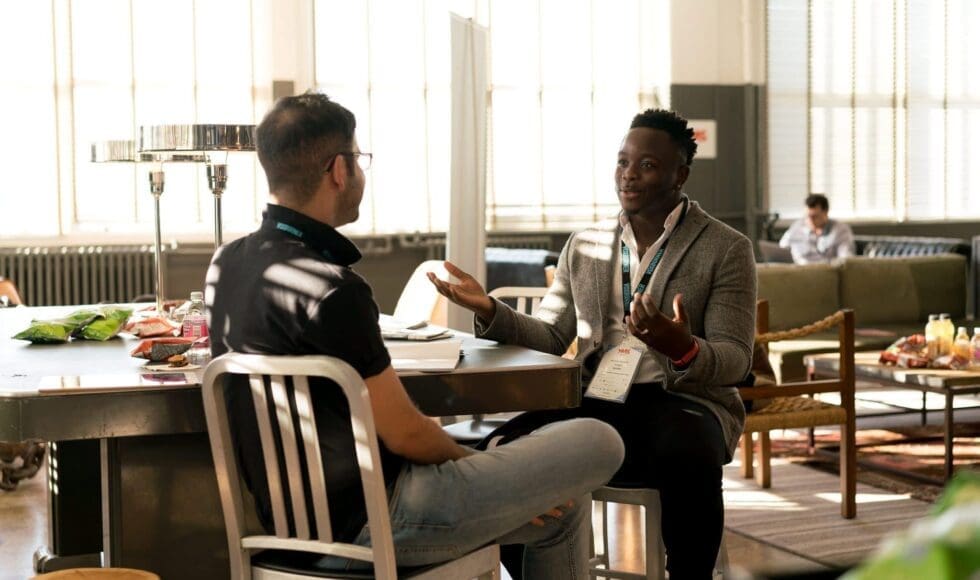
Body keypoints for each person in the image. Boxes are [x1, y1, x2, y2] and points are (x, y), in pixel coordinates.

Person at [205, 92, 624, 578]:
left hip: (284, 529)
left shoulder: (226, 264)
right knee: (601, 438)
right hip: (381, 521)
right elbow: (405, 433)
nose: (361, 173)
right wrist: (472, 462)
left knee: (562, 508)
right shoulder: (336, 290)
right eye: (359, 160)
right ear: (339, 170)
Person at [429, 109, 757, 579]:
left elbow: (735, 359)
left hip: (682, 402)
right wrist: (489, 311)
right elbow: (549, 337)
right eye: (622, 162)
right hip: (596, 398)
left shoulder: (725, 247)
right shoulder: (584, 243)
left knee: (691, 451)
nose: (628, 174)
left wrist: (681, 346)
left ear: (680, 174)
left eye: (646, 164)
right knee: (507, 450)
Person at [778, 193, 855, 264]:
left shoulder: (840, 230)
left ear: (826, 212)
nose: (810, 220)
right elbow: (781, 248)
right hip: (798, 271)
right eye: (807, 216)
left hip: (825, 271)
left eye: (814, 216)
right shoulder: (797, 226)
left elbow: (845, 259)